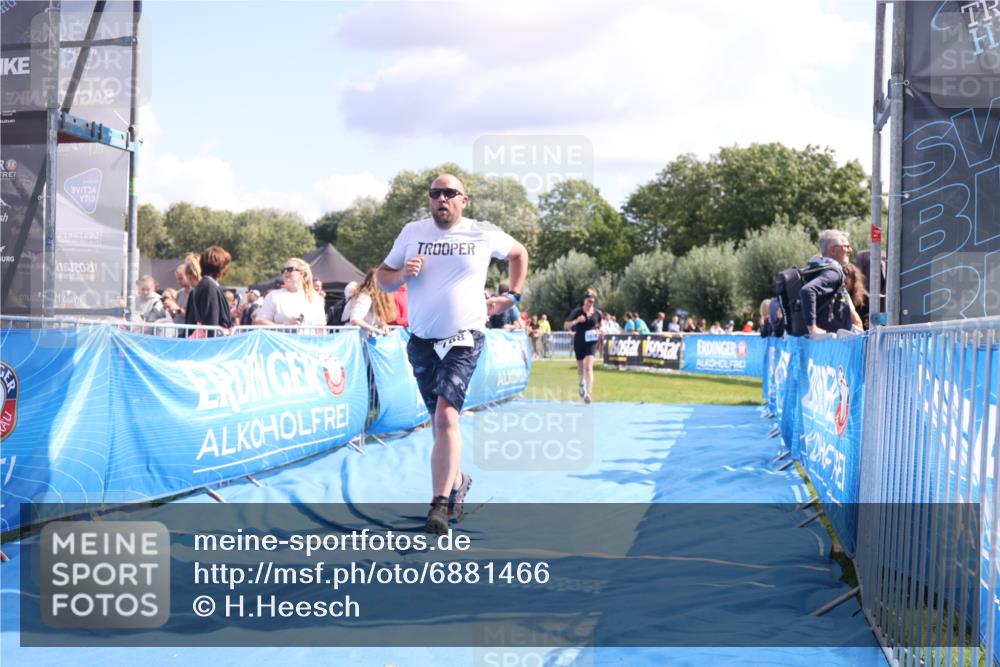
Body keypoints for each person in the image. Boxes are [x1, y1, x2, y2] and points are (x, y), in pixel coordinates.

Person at [376, 173, 528, 534]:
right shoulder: (412, 232)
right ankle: (458, 481)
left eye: (449, 193)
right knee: (439, 423)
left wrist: (513, 296)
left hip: (465, 337)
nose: (441, 199)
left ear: (464, 199)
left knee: (446, 417)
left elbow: (518, 253)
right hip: (422, 341)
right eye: (435, 193)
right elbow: (382, 278)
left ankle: (439, 506)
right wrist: (402, 273)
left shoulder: (481, 233)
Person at [800, 230, 853, 335]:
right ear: (832, 250)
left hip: (811, 339)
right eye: (846, 246)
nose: (850, 250)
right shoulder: (833, 272)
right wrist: (812, 328)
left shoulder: (815, 268)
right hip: (828, 341)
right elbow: (807, 290)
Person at [254, 257, 326, 331]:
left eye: (290, 269)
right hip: (281, 338)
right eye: (283, 270)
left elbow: (321, 329)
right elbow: (260, 322)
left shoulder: (315, 298)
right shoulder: (273, 296)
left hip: (308, 338)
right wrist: (286, 327)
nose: (285, 272)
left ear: (302, 274)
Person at [184, 245, 233, 337]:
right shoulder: (208, 285)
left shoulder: (208, 284)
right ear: (221, 268)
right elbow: (211, 324)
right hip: (214, 342)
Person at [564, 288, 602, 404]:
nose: (590, 303)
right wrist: (576, 321)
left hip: (591, 341)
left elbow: (599, 326)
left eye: (592, 301)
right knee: (580, 366)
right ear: (584, 301)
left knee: (589, 367)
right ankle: (581, 384)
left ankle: (588, 393)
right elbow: (566, 325)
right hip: (579, 340)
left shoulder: (598, 313)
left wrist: (600, 331)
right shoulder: (577, 312)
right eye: (588, 301)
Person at [347, 268, 397, 336]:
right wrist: (374, 329)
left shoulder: (371, 298)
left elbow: (372, 317)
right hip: (351, 336)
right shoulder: (365, 298)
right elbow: (355, 319)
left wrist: (383, 324)